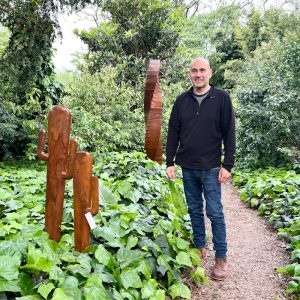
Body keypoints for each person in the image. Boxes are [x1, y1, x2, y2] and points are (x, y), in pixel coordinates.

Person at [166, 57, 236, 280]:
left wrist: (228, 164)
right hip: (188, 166)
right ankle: (199, 248)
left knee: (214, 212)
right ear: (190, 74)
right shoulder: (181, 101)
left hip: (213, 167)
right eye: (194, 71)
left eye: (202, 70)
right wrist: (169, 162)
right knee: (194, 210)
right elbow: (173, 132)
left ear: (210, 73)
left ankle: (221, 258)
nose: (198, 74)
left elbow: (230, 132)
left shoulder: (222, 98)